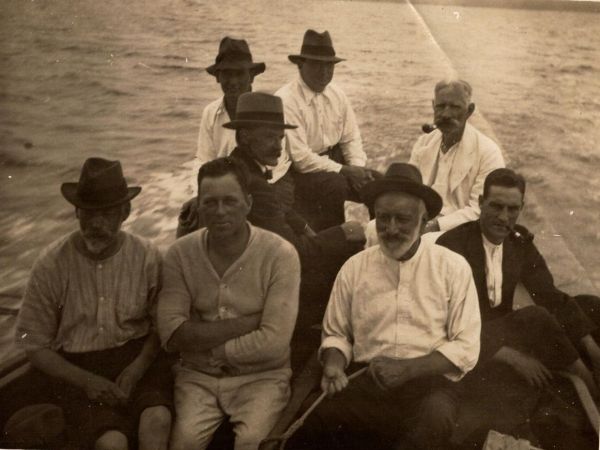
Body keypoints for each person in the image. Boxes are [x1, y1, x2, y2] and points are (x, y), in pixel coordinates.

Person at [287, 163, 481, 450]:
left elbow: (466, 347)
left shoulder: (452, 267)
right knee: (314, 426)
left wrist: (408, 369)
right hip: (366, 381)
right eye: (383, 218)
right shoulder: (354, 268)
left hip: (429, 385)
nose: (391, 229)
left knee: (434, 420)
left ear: (425, 218)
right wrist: (334, 365)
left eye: (402, 219)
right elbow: (337, 334)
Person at [178, 92, 366, 368]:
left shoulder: (237, 167)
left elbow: (276, 209)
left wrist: (303, 225)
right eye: (269, 137)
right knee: (343, 266)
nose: (278, 147)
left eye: (280, 137)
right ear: (244, 138)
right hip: (249, 285)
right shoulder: (254, 184)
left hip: (230, 269)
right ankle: (320, 341)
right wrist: (344, 232)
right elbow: (294, 253)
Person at [10, 158, 172, 450]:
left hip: (137, 360)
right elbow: (34, 345)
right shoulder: (51, 264)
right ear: (76, 211)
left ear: (125, 212)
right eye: (88, 213)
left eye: (107, 213)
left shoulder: (148, 257)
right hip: (75, 371)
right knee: (112, 444)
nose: (96, 223)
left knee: (157, 420)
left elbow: (161, 328)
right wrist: (86, 381)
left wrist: (137, 368)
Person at [157, 157, 301, 450]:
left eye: (229, 201)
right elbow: (172, 335)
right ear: (198, 205)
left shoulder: (280, 255)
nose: (220, 212)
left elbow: (274, 342)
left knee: (252, 443)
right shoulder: (179, 255)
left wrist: (210, 351)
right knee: (183, 444)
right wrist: (251, 323)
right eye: (210, 202)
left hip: (262, 378)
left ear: (248, 203)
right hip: (197, 380)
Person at [437, 168, 600, 400]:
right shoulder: (452, 247)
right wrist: (511, 356)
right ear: (481, 203)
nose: (504, 217)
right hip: (472, 341)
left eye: (512, 209)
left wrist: (591, 348)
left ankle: (591, 364)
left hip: (503, 329)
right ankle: (590, 389)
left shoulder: (518, 241)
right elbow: (445, 324)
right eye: (496, 206)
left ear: (521, 208)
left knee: (591, 305)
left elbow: (549, 294)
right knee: (536, 318)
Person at [276, 29, 375, 231]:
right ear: (300, 65)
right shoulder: (286, 100)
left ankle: (375, 241)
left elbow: (351, 138)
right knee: (336, 185)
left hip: (336, 165)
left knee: (379, 184)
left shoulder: (337, 95)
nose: (324, 72)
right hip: (300, 173)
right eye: (317, 64)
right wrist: (346, 171)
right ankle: (334, 244)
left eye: (329, 65)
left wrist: (357, 169)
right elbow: (301, 159)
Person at [191, 37, 283, 189]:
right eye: (227, 74)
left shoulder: (269, 109)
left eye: (239, 73)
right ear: (217, 77)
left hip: (267, 183)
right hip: (225, 188)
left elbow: (278, 164)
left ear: (251, 76)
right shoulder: (210, 112)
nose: (233, 81)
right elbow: (203, 159)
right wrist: (199, 193)